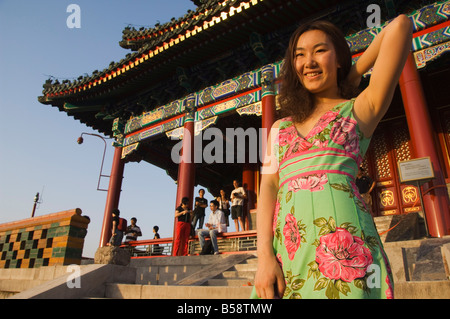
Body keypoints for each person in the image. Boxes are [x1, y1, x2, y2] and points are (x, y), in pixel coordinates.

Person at [253, 16, 412, 299]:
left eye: (320, 51)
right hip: (288, 256)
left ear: (338, 58)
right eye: (299, 55)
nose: (308, 62)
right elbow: (268, 187)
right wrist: (264, 257)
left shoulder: (359, 111)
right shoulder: (279, 129)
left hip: (348, 256)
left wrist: (352, 75)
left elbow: (400, 26)